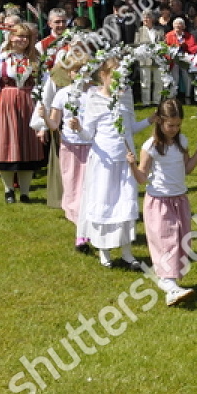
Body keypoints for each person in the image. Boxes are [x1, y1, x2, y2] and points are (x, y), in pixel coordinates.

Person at [72, 52, 144, 269]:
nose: (119, 82)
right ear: (103, 75)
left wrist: (151, 120)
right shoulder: (95, 99)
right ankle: (104, 250)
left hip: (125, 159)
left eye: (122, 78)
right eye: (114, 77)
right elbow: (89, 134)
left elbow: (130, 127)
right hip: (104, 161)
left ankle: (126, 251)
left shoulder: (126, 96)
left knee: (124, 202)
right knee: (105, 201)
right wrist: (78, 128)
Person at [136, 98, 197, 306]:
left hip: (179, 198)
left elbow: (187, 169)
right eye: (170, 125)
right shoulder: (150, 147)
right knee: (167, 242)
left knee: (182, 239)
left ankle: (170, 284)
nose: (174, 129)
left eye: (177, 125)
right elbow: (141, 178)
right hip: (159, 201)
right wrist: (132, 165)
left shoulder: (181, 141)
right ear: (159, 121)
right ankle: (170, 286)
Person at [0, 21, 47, 203]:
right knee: (6, 145)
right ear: (11, 37)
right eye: (19, 36)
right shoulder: (0, 60)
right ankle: (8, 190)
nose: (23, 40)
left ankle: (25, 192)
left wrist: (42, 108)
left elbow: (44, 86)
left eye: (26, 36)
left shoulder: (36, 60)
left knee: (28, 146)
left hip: (29, 105)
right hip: (6, 106)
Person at [42, 45, 92, 244]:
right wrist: (45, 118)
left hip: (91, 146)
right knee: (72, 186)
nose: (79, 74)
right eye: (75, 70)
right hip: (70, 146)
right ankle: (80, 229)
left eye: (83, 70)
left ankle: (87, 228)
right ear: (69, 73)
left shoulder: (95, 93)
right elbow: (55, 124)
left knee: (90, 187)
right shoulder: (63, 94)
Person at [131, 11, 167, 106]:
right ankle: (146, 102)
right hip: (144, 59)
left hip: (157, 59)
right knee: (145, 82)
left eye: (147, 17)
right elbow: (136, 44)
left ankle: (156, 101)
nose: (145, 20)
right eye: (144, 18)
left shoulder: (159, 30)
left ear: (152, 19)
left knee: (158, 81)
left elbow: (164, 43)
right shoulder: (139, 30)